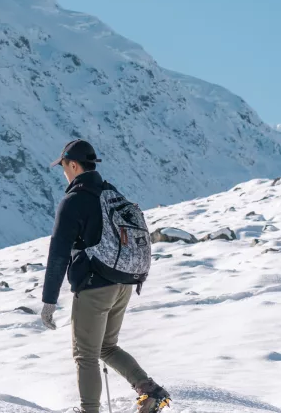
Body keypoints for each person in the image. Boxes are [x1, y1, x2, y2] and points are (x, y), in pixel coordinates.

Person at [40, 140, 170, 413]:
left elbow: (58, 253)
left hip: (94, 287)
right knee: (107, 347)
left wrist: (49, 300)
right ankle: (151, 392)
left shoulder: (74, 200)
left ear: (73, 165)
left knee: (85, 355)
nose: (64, 173)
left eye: (64, 167)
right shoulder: (110, 193)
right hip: (122, 283)